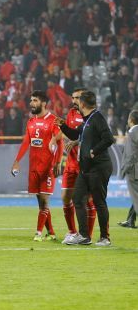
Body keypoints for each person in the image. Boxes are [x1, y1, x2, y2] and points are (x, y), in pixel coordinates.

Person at [58, 90, 116, 246]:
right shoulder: (86, 120)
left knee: (99, 202)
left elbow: (109, 138)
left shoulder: (97, 118)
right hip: (86, 168)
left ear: (82, 103)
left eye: (78, 100)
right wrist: (62, 125)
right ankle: (84, 236)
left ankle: (105, 238)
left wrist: (94, 151)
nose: (75, 103)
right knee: (77, 199)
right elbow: (74, 135)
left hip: (99, 167)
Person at [11, 91, 64, 241]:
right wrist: (17, 161)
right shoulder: (31, 122)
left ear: (43, 103)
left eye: (35, 100)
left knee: (45, 201)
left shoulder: (53, 120)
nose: (31, 103)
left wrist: (58, 162)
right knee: (41, 203)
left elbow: (60, 142)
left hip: (48, 168)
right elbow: (26, 142)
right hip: (34, 168)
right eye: (31, 100)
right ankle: (51, 233)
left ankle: (38, 233)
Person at [58, 89, 97, 243]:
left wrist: (76, 141)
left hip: (84, 163)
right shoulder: (71, 114)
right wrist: (62, 139)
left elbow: (91, 136)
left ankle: (87, 235)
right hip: (71, 162)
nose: (74, 101)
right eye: (73, 98)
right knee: (65, 197)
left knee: (87, 200)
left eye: (77, 98)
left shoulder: (91, 116)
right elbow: (69, 133)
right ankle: (73, 232)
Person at [119, 111, 138, 231]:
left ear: (131, 120)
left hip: (133, 170)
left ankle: (130, 220)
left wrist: (125, 169)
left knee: (136, 195)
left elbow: (130, 155)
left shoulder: (133, 132)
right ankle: (130, 220)